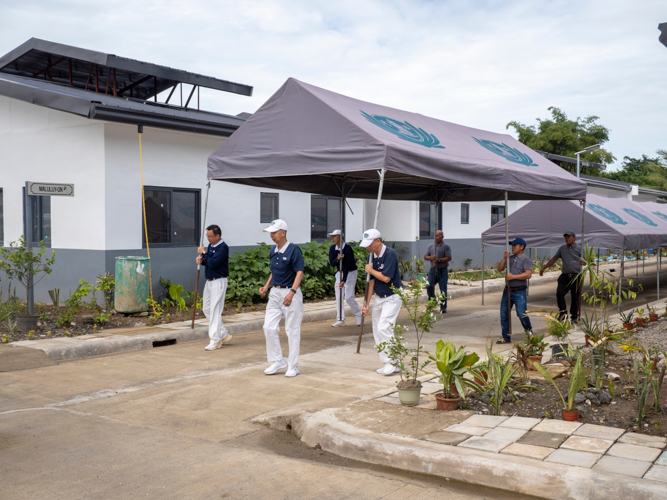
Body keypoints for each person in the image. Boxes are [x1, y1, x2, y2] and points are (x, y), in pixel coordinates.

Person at [259, 219, 305, 377]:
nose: (271, 235)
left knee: (292, 330)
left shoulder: (294, 250)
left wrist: (292, 292)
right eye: (270, 233)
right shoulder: (273, 251)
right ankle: (278, 360)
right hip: (274, 293)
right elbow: (274, 271)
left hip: (290, 293)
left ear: (283, 232)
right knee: (268, 327)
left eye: (274, 232)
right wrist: (266, 286)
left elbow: (299, 272)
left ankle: (294, 366)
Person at [359, 229, 404, 375]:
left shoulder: (390, 254)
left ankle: (393, 361)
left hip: (392, 296)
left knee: (384, 328)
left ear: (378, 241)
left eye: (369, 244)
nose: (367, 248)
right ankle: (387, 362)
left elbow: (386, 278)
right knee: (377, 330)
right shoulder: (371, 256)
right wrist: (366, 304)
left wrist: (370, 270)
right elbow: (371, 282)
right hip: (379, 296)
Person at [196, 224, 232, 351]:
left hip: (219, 281)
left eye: (210, 236)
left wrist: (204, 253)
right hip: (209, 281)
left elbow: (214, 262)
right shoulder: (211, 246)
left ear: (218, 236)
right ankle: (223, 333)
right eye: (207, 236)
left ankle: (215, 340)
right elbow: (208, 262)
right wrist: (201, 260)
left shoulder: (223, 247)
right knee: (206, 308)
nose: (208, 239)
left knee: (215, 310)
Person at [539, 231, 585, 324]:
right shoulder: (562, 248)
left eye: (569, 237)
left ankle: (574, 317)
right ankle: (563, 313)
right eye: (566, 237)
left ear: (574, 238)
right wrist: (544, 267)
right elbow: (554, 259)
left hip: (576, 276)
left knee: (575, 297)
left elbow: (587, 261)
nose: (567, 239)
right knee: (560, 293)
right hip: (565, 275)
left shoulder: (580, 249)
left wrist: (583, 262)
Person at [496, 237, 533, 344]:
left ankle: (530, 334)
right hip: (507, 290)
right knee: (504, 314)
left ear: (522, 247)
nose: (513, 247)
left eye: (515, 246)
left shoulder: (526, 259)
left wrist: (513, 277)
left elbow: (528, 274)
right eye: (512, 245)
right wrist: (504, 258)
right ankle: (506, 337)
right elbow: (500, 268)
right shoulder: (510, 258)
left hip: (519, 291)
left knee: (522, 314)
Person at [328, 229, 362, 327]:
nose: (332, 238)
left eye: (334, 236)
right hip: (339, 273)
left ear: (340, 237)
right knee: (339, 296)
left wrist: (344, 280)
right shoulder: (332, 249)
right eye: (332, 237)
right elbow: (332, 262)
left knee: (348, 297)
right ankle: (340, 319)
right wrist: (337, 259)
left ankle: (358, 314)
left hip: (350, 273)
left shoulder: (347, 249)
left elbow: (347, 265)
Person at [423, 230, 452, 313]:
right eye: (435, 235)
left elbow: (449, 258)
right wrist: (431, 258)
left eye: (439, 235)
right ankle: (433, 301)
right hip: (433, 270)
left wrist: (438, 260)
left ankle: (443, 306)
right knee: (429, 285)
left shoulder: (446, 246)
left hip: (442, 270)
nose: (437, 237)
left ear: (442, 237)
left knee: (443, 289)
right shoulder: (431, 246)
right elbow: (425, 257)